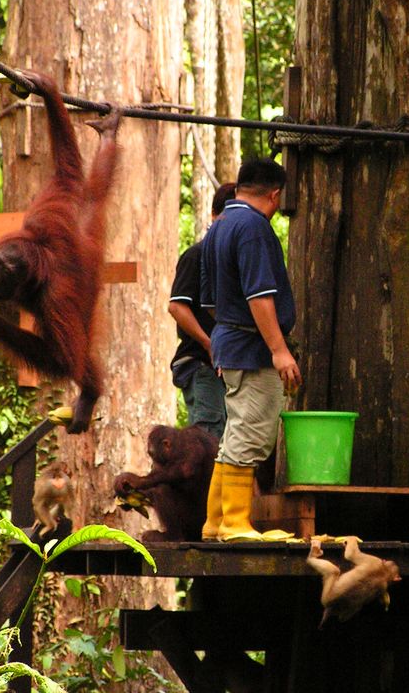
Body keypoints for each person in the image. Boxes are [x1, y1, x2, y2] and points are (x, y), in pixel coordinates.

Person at [199, 158, 301, 541]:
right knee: (252, 432)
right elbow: (260, 295)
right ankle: (235, 523)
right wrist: (278, 348)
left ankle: (214, 521)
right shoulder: (253, 227)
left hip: (230, 339)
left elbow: (208, 300)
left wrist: (227, 335)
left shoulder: (219, 225)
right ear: (274, 196)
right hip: (252, 347)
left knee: (235, 432)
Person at [168, 182, 237, 439]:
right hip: (200, 363)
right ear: (214, 216)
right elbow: (176, 307)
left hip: (225, 367)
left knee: (229, 439)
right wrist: (209, 344)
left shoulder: (232, 259)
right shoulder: (196, 255)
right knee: (208, 437)